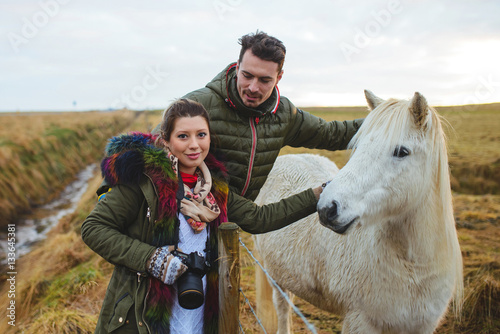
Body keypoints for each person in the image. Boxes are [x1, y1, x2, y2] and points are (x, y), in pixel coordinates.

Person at [81, 99, 326, 334]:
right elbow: (94, 228)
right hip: (144, 312)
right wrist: (151, 260)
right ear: (166, 140)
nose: (194, 145)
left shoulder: (214, 189)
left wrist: (318, 194)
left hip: (199, 309)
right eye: (183, 136)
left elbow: (259, 218)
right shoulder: (143, 181)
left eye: (201, 134)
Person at [153, 30, 363, 203]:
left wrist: (391, 118)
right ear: (237, 66)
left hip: (236, 218)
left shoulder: (283, 114)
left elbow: (331, 134)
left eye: (264, 80)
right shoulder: (199, 105)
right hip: (189, 215)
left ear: (279, 77)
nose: (253, 87)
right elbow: (149, 149)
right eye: (247, 75)